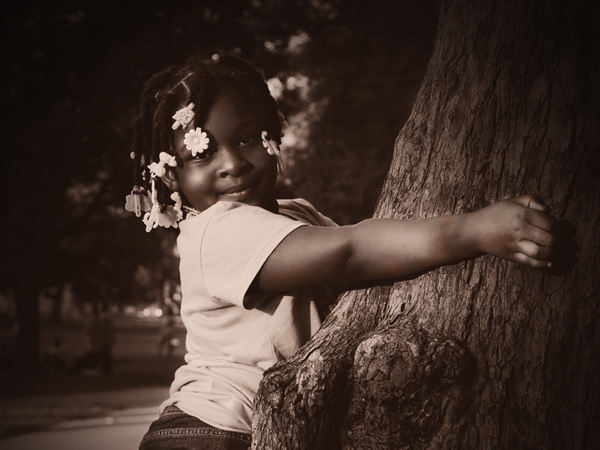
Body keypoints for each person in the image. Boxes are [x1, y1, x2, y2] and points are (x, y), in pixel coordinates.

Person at [127, 55, 556, 450]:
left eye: (245, 139)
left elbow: (369, 260)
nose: (232, 163)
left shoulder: (297, 215)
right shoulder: (216, 232)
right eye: (202, 154)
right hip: (208, 433)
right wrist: (475, 230)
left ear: (272, 136)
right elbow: (352, 253)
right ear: (169, 178)